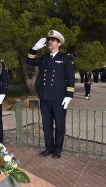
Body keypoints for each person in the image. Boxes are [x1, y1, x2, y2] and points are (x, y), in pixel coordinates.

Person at [26, 30, 75, 158]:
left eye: (52, 40)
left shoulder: (65, 58)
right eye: (49, 40)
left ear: (59, 43)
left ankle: (58, 149)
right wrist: (34, 48)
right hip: (45, 96)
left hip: (59, 97)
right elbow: (29, 61)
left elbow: (70, 78)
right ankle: (49, 147)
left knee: (59, 125)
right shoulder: (44, 58)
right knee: (47, 125)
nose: (49, 42)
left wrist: (69, 95)